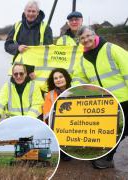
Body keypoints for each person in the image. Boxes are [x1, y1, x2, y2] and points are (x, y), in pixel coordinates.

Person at [72, 26, 128, 169]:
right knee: (114, 130)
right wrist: (76, 88)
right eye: (82, 38)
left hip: (124, 99)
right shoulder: (83, 59)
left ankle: (106, 158)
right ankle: (106, 158)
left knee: (119, 131)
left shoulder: (111, 49)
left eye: (88, 36)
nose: (86, 40)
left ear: (94, 35)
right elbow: (78, 76)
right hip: (106, 102)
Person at [4, 0, 53, 79]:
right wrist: (17, 48)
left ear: (38, 12)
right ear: (24, 12)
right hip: (18, 72)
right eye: (29, 11)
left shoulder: (46, 28)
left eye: (33, 11)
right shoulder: (17, 26)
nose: (31, 14)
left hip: (37, 72)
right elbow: (7, 46)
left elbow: (49, 51)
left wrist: (33, 71)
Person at [0, 63, 44, 127]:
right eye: (16, 74)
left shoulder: (34, 86)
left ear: (26, 74)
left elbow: (37, 105)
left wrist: (27, 120)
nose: (18, 76)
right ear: (12, 75)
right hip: (12, 124)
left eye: (21, 73)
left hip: (31, 122)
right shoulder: (6, 87)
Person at [43, 68, 72, 161]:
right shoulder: (50, 94)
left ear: (66, 78)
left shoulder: (75, 90)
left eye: (61, 77)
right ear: (53, 81)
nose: (58, 80)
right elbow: (46, 115)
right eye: (55, 78)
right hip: (58, 127)